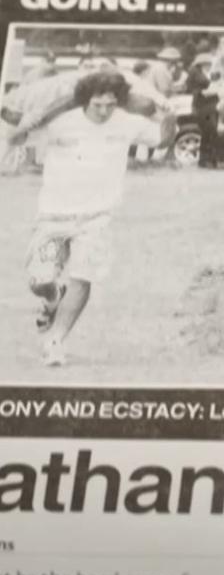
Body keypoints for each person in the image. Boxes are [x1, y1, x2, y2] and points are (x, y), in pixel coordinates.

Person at [4, 71, 175, 366]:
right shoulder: (60, 121)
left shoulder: (127, 121)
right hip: (53, 216)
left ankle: (55, 340)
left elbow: (161, 141)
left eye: (111, 103)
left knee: (82, 277)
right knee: (39, 280)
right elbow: (16, 139)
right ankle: (52, 295)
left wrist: (169, 119)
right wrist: (27, 123)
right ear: (85, 100)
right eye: (98, 104)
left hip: (97, 217)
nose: (105, 110)